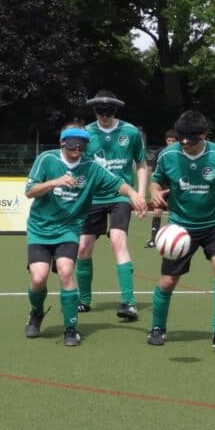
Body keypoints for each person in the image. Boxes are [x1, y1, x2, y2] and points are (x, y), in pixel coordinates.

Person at [24, 122, 148, 346]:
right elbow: (29, 191)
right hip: (40, 228)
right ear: (62, 143)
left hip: (69, 229)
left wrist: (133, 194)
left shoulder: (90, 167)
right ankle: (36, 312)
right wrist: (54, 182)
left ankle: (71, 329)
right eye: (72, 146)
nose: (77, 151)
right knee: (38, 278)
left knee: (66, 271)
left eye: (81, 147)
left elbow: (117, 183)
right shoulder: (47, 159)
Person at [147, 111, 215, 349]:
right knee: (168, 281)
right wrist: (153, 192)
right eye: (181, 139)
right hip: (180, 227)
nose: (185, 145)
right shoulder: (168, 155)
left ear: (204, 135)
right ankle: (157, 327)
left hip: (214, 224)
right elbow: (156, 180)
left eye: (191, 141)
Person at [75, 90, 149, 321]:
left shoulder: (130, 132)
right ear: (94, 110)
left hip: (121, 196)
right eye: (100, 111)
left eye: (109, 111)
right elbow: (77, 166)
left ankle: (128, 302)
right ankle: (84, 300)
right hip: (92, 198)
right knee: (83, 248)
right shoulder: (86, 133)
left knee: (118, 241)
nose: (104, 115)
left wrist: (140, 194)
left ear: (116, 110)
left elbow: (142, 164)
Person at [144, 129, 178, 248]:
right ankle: (153, 239)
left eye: (173, 141)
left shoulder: (181, 153)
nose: (171, 143)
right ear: (166, 141)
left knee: (175, 214)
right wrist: (155, 188)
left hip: (176, 186)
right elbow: (154, 172)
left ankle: (174, 239)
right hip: (162, 186)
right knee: (157, 211)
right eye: (169, 140)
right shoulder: (160, 153)